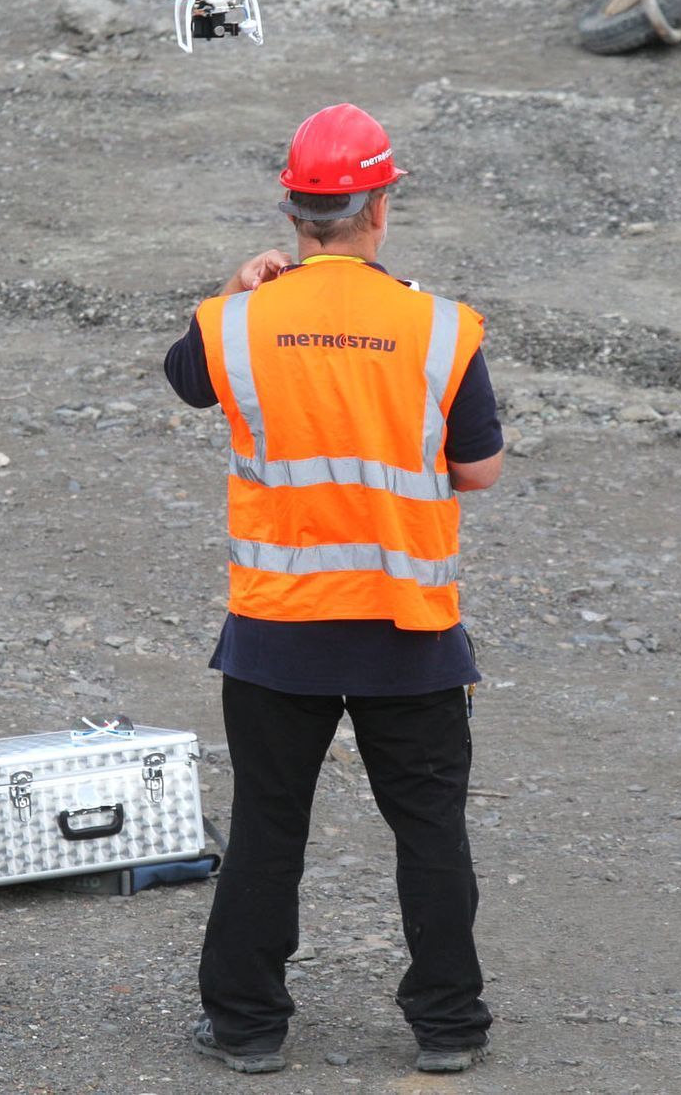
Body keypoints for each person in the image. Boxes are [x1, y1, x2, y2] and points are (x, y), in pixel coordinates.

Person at [163, 103, 503, 1075]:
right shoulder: (438, 328)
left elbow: (187, 380)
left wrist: (238, 285)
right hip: (409, 631)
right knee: (429, 829)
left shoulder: (236, 323)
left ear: (293, 213)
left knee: (270, 824)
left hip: (278, 635)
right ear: (380, 209)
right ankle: (448, 1025)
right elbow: (476, 470)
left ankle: (246, 1025)